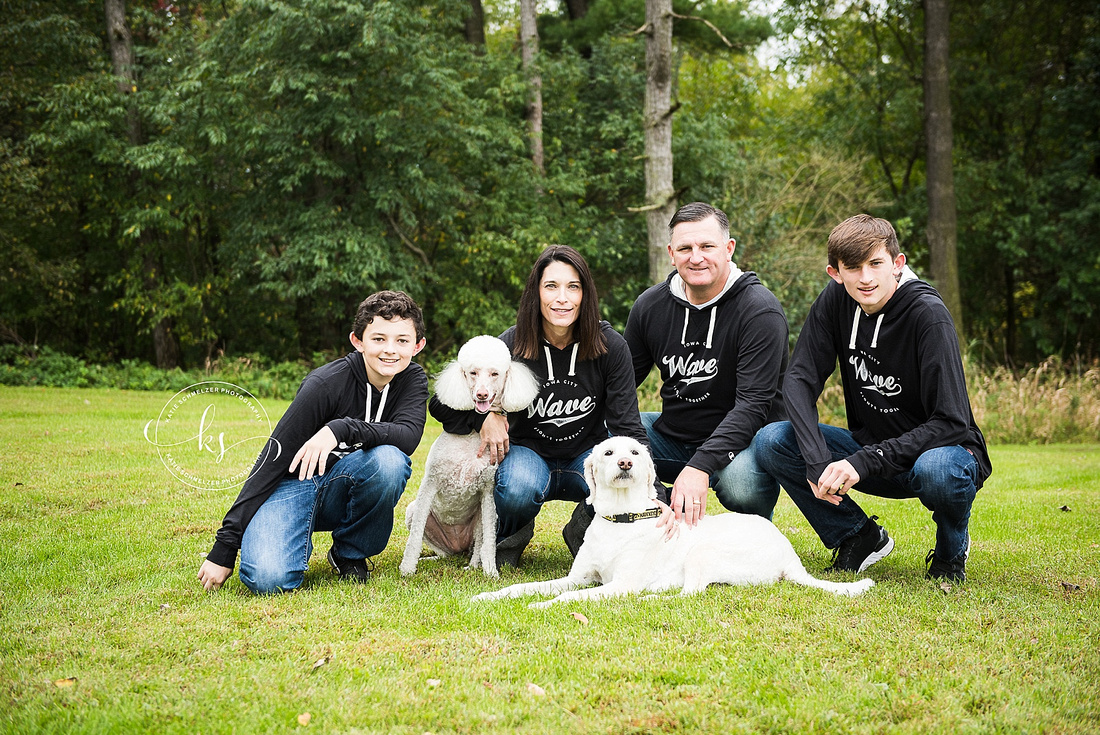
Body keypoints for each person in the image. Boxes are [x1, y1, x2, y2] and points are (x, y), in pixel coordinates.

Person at [754, 214, 991, 582]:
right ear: (835, 272)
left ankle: (950, 552)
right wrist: (817, 459)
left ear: (897, 264)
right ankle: (858, 537)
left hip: (940, 455)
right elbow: (799, 379)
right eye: (853, 268)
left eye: (876, 264)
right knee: (773, 440)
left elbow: (952, 422)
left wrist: (864, 461)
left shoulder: (928, 315)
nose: (866, 278)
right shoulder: (836, 301)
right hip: (873, 451)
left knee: (939, 471)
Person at [430, 245, 654, 564]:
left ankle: (583, 533)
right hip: (527, 456)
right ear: (536, 293)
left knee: (619, 474)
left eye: (572, 287)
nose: (562, 297)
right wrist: (484, 420)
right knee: (518, 485)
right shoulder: (511, 343)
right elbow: (441, 405)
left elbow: (629, 429)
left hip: (585, 457)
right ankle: (507, 542)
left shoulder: (610, 347)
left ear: (585, 295)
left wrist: (654, 492)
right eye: (551, 286)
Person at [197, 291, 429, 594]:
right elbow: (271, 460)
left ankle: (349, 554)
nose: (390, 350)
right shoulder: (326, 384)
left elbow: (408, 437)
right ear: (357, 341)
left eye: (402, 340)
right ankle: (291, 532)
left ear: (418, 345)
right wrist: (225, 546)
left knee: (390, 461)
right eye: (378, 339)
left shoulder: (412, 379)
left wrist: (340, 428)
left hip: (341, 484)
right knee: (269, 581)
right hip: (293, 484)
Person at [624, 202, 789, 527]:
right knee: (607, 435)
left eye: (706, 246)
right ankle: (617, 521)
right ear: (672, 253)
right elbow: (617, 382)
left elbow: (754, 406)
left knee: (741, 484)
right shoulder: (650, 306)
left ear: (728, 249)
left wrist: (700, 466)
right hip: (673, 436)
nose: (695, 257)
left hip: (745, 443)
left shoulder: (759, 311)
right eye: (685, 248)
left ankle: (755, 532)